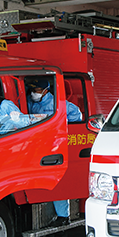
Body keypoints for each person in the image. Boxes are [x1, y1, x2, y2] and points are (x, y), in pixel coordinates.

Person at [27, 78, 83, 226]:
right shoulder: (30, 102)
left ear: (46, 90)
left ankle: (63, 216)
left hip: (54, 147)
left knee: (58, 182)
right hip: (36, 147)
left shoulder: (59, 104)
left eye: (37, 90)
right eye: (32, 90)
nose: (34, 93)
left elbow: (77, 118)